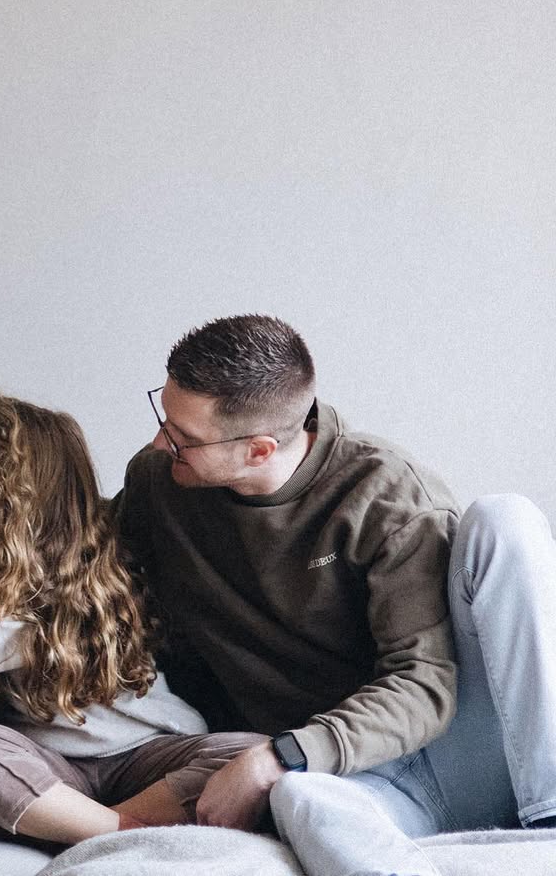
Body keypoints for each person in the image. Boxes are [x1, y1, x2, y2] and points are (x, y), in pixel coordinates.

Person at [114, 313, 556, 875]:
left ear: (258, 449)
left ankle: (548, 822)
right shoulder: (160, 484)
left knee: (504, 519)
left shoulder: (384, 496)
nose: (160, 441)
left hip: (463, 740)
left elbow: (423, 683)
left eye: (184, 438)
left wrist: (283, 755)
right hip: (361, 777)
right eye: (164, 417)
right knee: (298, 798)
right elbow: (73, 561)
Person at [0, 392, 264, 847]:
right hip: (50, 767)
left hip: (144, 755)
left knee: (254, 754)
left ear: (0, 497)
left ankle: (95, 827)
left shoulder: (43, 587)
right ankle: (103, 828)